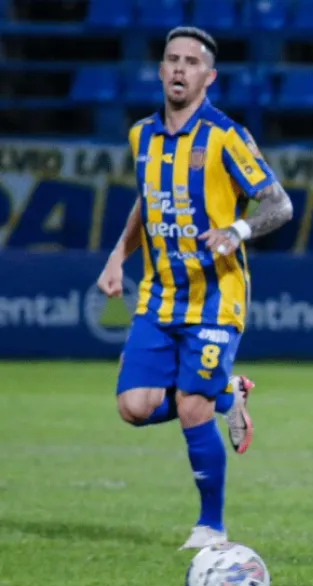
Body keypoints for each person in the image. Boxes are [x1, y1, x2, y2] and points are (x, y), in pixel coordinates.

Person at [95, 26, 294, 550]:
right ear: (161, 70)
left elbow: (279, 204)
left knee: (190, 406)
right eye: (173, 59)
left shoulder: (226, 136)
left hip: (217, 297)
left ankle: (211, 528)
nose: (180, 68)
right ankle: (229, 392)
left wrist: (237, 231)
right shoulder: (141, 136)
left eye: (192, 61)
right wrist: (117, 256)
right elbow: (147, 202)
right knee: (134, 407)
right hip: (159, 295)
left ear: (209, 76)